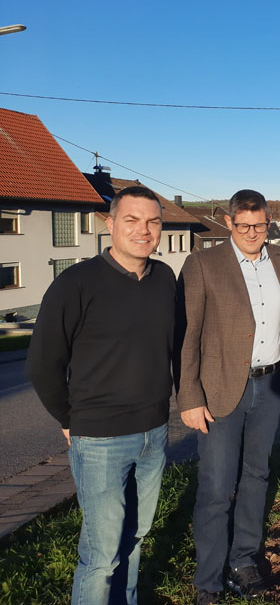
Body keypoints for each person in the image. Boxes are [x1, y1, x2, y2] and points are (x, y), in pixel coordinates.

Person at [27, 187, 175, 604]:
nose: (143, 230)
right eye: (131, 220)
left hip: (154, 434)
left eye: (152, 221)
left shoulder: (164, 278)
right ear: (110, 224)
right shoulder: (76, 283)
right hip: (101, 441)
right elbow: (42, 364)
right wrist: (69, 418)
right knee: (101, 554)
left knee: (136, 537)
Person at [177, 189, 280, 605]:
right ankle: (208, 582)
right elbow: (187, 335)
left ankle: (243, 560)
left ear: (269, 222)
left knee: (257, 476)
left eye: (259, 225)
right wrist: (189, 397)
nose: (251, 233)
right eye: (243, 225)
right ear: (229, 222)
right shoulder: (203, 264)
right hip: (220, 389)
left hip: (270, 385)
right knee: (216, 485)